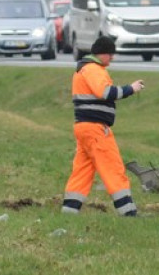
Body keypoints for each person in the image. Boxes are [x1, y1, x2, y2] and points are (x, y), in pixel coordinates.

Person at [62, 36, 145, 217]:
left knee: (82, 171)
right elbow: (105, 92)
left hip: (83, 128)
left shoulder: (82, 69)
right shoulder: (93, 69)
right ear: (103, 54)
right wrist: (131, 88)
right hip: (95, 129)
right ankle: (128, 212)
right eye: (110, 54)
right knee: (113, 168)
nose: (112, 58)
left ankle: (69, 211)